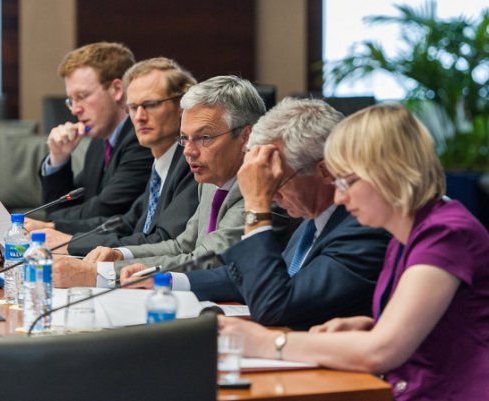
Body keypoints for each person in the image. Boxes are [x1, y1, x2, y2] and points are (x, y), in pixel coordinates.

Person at [218, 104, 489, 401]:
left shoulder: (446, 233)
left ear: (389, 173)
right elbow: (442, 324)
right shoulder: (408, 234)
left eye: (347, 181)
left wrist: (268, 343)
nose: (339, 196)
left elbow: (381, 351)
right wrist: (371, 324)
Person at [122, 97, 390, 330]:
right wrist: (166, 280)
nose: (272, 194)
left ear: (324, 172)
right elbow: (246, 276)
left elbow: (275, 305)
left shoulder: (362, 230)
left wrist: (256, 203)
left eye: (276, 180)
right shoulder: (314, 223)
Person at [51, 75, 267, 288]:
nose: (189, 152)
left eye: (204, 138)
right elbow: (182, 245)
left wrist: (101, 274)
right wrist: (120, 255)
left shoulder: (259, 187)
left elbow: (209, 260)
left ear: (245, 137)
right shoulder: (211, 179)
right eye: (185, 139)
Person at [33, 57, 199, 255]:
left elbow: (163, 240)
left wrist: (70, 243)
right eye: (133, 107)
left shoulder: (192, 161)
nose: (139, 117)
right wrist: (53, 229)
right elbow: (126, 222)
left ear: (182, 107)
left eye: (151, 104)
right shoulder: (161, 162)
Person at [25, 42, 153, 231]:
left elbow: (102, 211)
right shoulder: (99, 141)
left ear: (117, 90)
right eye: (71, 100)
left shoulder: (141, 141)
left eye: (82, 96)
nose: (75, 110)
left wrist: (51, 225)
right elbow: (65, 205)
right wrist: (59, 159)